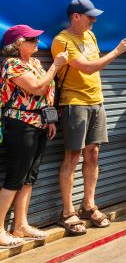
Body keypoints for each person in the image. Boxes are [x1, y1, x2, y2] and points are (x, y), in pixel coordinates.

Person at [51, 0, 126, 235]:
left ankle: (88, 204)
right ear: (75, 16)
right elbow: (86, 67)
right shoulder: (62, 41)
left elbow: (94, 66)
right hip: (74, 102)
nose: (94, 21)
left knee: (93, 154)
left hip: (97, 101)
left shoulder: (90, 36)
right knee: (73, 156)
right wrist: (117, 51)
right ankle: (67, 212)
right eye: (89, 17)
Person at [0, 25, 68, 246]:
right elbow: (37, 88)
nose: (37, 41)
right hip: (20, 124)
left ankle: (20, 225)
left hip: (38, 123)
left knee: (30, 176)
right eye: (32, 39)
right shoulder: (12, 64)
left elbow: (47, 93)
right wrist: (56, 65)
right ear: (18, 43)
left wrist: (50, 119)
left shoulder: (36, 63)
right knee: (15, 176)